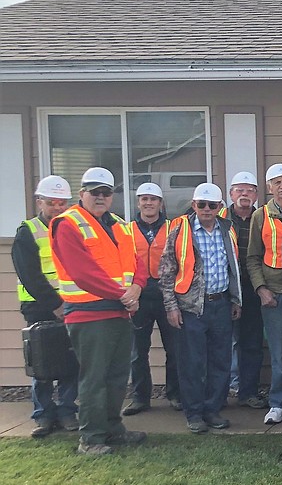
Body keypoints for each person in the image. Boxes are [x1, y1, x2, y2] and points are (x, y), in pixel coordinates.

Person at [50, 167, 146, 456]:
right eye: (95, 192)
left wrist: (137, 289)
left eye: (106, 192)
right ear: (82, 194)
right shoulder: (67, 223)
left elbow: (137, 262)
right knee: (94, 378)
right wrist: (124, 295)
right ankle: (91, 438)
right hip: (88, 314)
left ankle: (113, 430)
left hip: (119, 312)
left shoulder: (119, 225)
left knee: (117, 376)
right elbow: (82, 273)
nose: (101, 197)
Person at [159, 183, 243, 433]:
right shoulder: (179, 229)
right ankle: (194, 413)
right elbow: (166, 272)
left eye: (212, 205)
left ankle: (212, 409)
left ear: (220, 207)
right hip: (191, 307)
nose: (207, 209)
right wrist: (171, 306)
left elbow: (233, 268)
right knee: (192, 363)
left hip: (222, 304)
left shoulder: (227, 229)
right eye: (202, 204)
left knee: (220, 361)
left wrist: (236, 299)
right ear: (194, 205)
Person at [12, 175, 78, 437]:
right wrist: (55, 305)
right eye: (52, 202)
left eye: (63, 203)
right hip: (39, 307)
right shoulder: (27, 231)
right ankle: (43, 414)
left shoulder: (71, 228)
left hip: (71, 304)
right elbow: (30, 274)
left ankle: (67, 411)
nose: (58, 208)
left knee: (70, 361)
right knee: (41, 363)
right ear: (40, 201)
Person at [247, 163, 282, 425]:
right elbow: (253, 257)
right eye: (277, 182)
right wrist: (261, 289)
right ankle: (278, 403)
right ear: (269, 187)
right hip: (275, 293)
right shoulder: (261, 216)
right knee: (280, 352)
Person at [122, 182, 180, 415]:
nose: (148, 203)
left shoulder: (173, 228)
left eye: (153, 199)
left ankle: (175, 394)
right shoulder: (126, 230)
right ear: (138, 203)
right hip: (139, 297)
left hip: (167, 295)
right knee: (138, 351)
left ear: (160, 203)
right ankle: (140, 397)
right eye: (144, 199)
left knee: (174, 349)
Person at [221, 171, 265, 410]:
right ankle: (221, 392)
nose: (244, 194)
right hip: (224, 288)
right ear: (231, 194)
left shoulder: (262, 217)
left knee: (251, 342)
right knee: (222, 342)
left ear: (256, 194)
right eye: (239, 190)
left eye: (249, 190)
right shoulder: (220, 218)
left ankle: (248, 391)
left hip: (253, 287)